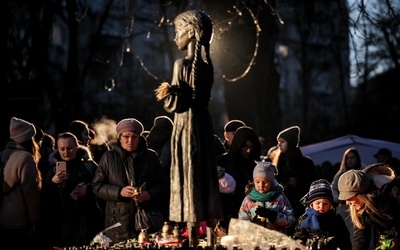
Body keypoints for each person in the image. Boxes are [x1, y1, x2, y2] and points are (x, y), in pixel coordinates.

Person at [154, 10, 223, 247]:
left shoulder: (180, 64)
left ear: (191, 32)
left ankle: (192, 235)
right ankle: (212, 234)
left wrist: (167, 93)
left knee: (190, 174)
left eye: (178, 32)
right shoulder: (206, 66)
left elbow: (175, 103)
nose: (175, 38)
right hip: (202, 124)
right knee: (204, 174)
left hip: (187, 126)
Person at [92, 118, 167, 244]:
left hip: (146, 221)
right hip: (117, 223)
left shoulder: (151, 156)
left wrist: (150, 194)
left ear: (140, 137)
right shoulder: (109, 157)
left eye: (134, 137)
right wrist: (119, 192)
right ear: (120, 137)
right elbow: (96, 186)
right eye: (126, 136)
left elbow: (163, 184)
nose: (130, 141)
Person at [43, 132, 103, 248]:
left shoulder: (89, 166)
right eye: (62, 149)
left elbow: (102, 186)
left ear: (77, 147)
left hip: (89, 222)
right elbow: (45, 198)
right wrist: (53, 183)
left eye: (70, 148)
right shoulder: (52, 169)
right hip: (63, 225)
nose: (66, 152)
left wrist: (88, 189)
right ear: (57, 149)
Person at [0, 117, 42, 249]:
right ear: (28, 139)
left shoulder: (3, 154)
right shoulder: (25, 157)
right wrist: (35, 219)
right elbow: (30, 192)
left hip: (4, 217)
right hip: (19, 220)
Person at [338, 163, 400, 249]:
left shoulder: (395, 192)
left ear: (362, 194)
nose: (347, 203)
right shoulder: (360, 209)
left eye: (349, 197)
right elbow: (361, 238)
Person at [273, 125, 317, 235]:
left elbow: (311, 186)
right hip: (284, 210)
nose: (279, 145)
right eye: (278, 141)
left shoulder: (305, 163)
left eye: (282, 141)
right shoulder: (279, 164)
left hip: (302, 209)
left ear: (290, 143)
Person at [217, 126, 262, 219]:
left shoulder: (253, 165)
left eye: (251, 147)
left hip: (248, 214)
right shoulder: (223, 161)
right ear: (239, 144)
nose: (248, 150)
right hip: (226, 213)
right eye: (245, 146)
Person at [238, 161, 295, 234]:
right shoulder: (249, 199)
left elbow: (291, 219)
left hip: (276, 241)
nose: (261, 186)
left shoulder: (280, 197)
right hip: (256, 240)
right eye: (257, 182)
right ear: (253, 181)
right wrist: (252, 224)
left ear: (271, 182)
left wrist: (274, 217)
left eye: (265, 182)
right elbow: (241, 220)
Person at [292, 179, 351, 249]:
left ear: (330, 205)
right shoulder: (304, 219)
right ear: (311, 204)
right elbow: (298, 239)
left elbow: (345, 239)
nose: (321, 207)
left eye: (325, 204)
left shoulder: (336, 219)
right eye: (317, 203)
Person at [331, 147, 362, 243]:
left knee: (360, 232)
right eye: (347, 158)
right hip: (344, 208)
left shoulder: (363, 172)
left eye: (352, 158)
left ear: (357, 159)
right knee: (346, 233)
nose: (350, 160)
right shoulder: (340, 174)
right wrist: (339, 198)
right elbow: (333, 189)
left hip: (360, 207)